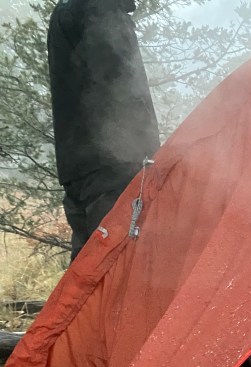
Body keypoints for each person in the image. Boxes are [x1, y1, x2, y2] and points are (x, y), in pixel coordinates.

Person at [48, 0, 160, 261]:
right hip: (115, 166)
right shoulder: (101, 8)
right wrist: (150, 158)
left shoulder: (67, 10)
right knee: (120, 264)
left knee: (88, 269)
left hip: (78, 167)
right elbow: (119, 85)